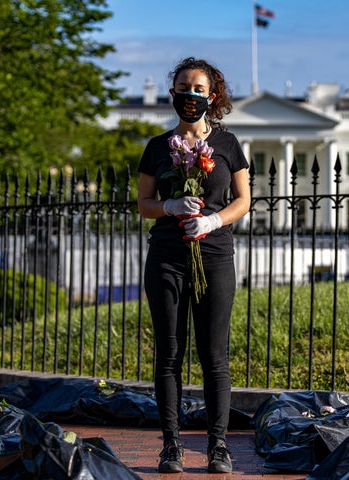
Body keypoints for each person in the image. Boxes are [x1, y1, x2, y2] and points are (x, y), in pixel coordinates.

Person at [137, 57, 251, 474]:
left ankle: (217, 446)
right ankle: (171, 446)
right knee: (168, 352)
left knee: (213, 354)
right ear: (173, 94)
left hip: (215, 255)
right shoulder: (157, 146)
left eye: (198, 88)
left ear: (211, 95)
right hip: (168, 257)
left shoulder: (227, 144)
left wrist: (214, 219)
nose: (190, 94)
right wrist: (168, 206)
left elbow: (243, 200)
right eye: (183, 86)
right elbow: (144, 204)